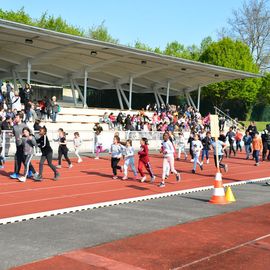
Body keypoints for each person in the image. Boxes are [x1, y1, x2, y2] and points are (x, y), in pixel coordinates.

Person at [10, 112, 28, 179]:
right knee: (23, 159)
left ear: (20, 118)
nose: (15, 118)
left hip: (23, 145)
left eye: (17, 117)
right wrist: (11, 135)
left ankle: (16, 173)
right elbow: (14, 134)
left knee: (17, 158)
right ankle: (31, 171)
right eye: (15, 117)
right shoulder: (14, 127)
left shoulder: (24, 125)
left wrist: (22, 137)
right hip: (17, 145)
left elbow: (29, 133)